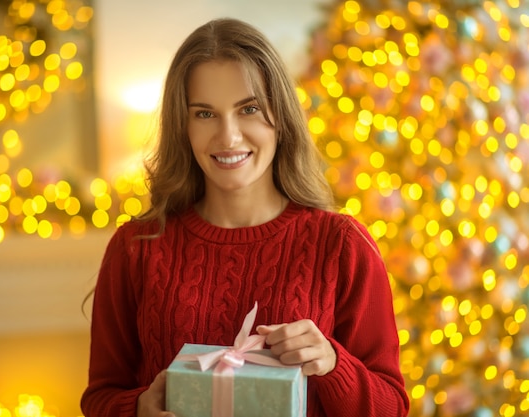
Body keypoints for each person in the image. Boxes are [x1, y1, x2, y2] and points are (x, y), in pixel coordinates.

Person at [81, 17, 410, 417]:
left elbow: (392, 407)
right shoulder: (136, 248)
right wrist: (137, 408)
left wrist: (332, 363)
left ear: (281, 118)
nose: (229, 137)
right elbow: (99, 398)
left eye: (249, 108)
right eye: (204, 114)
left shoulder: (342, 244)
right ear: (182, 126)